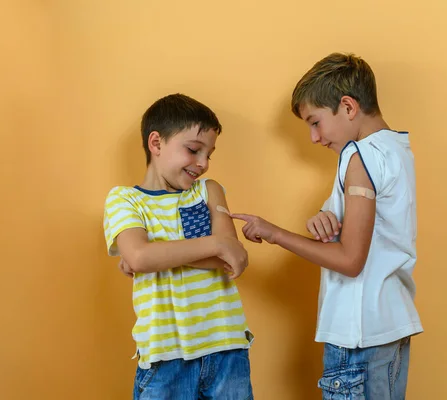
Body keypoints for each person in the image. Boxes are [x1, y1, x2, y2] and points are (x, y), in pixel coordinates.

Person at [231, 53, 423, 399]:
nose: (313, 137)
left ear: (348, 106)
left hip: (357, 335)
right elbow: (373, 229)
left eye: (315, 121)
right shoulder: (396, 149)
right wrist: (326, 217)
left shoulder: (357, 157)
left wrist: (274, 233)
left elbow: (350, 260)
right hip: (390, 328)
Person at [103, 93, 254, 400]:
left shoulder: (209, 191)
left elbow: (232, 256)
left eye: (209, 154)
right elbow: (141, 257)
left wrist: (156, 254)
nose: (204, 164)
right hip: (164, 356)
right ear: (156, 143)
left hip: (226, 348)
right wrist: (212, 244)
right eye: (194, 150)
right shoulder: (124, 199)